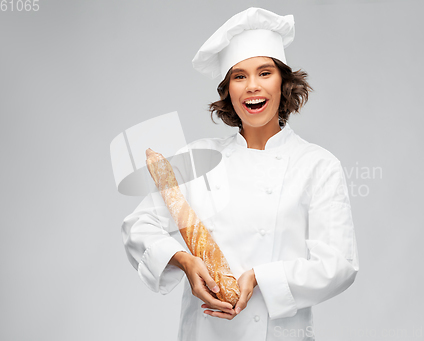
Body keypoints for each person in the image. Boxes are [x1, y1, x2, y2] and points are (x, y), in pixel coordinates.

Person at [122, 7, 359, 341]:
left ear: (284, 82)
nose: (252, 87)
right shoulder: (197, 158)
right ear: (228, 91)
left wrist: (261, 277)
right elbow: (138, 227)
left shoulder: (318, 165)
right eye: (239, 76)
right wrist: (184, 262)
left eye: (265, 73)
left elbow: (338, 264)